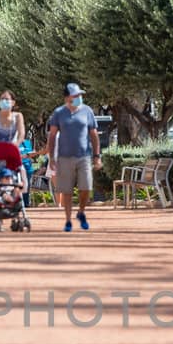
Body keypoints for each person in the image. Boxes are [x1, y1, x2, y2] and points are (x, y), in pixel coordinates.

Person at [45, 82, 101, 232]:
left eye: (80, 95)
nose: (79, 97)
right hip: (64, 157)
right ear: (67, 98)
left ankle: (81, 212)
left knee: (86, 187)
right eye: (76, 95)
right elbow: (52, 136)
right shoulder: (58, 113)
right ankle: (68, 220)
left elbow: (94, 135)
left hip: (84, 156)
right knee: (67, 190)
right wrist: (51, 157)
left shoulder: (87, 111)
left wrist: (97, 156)